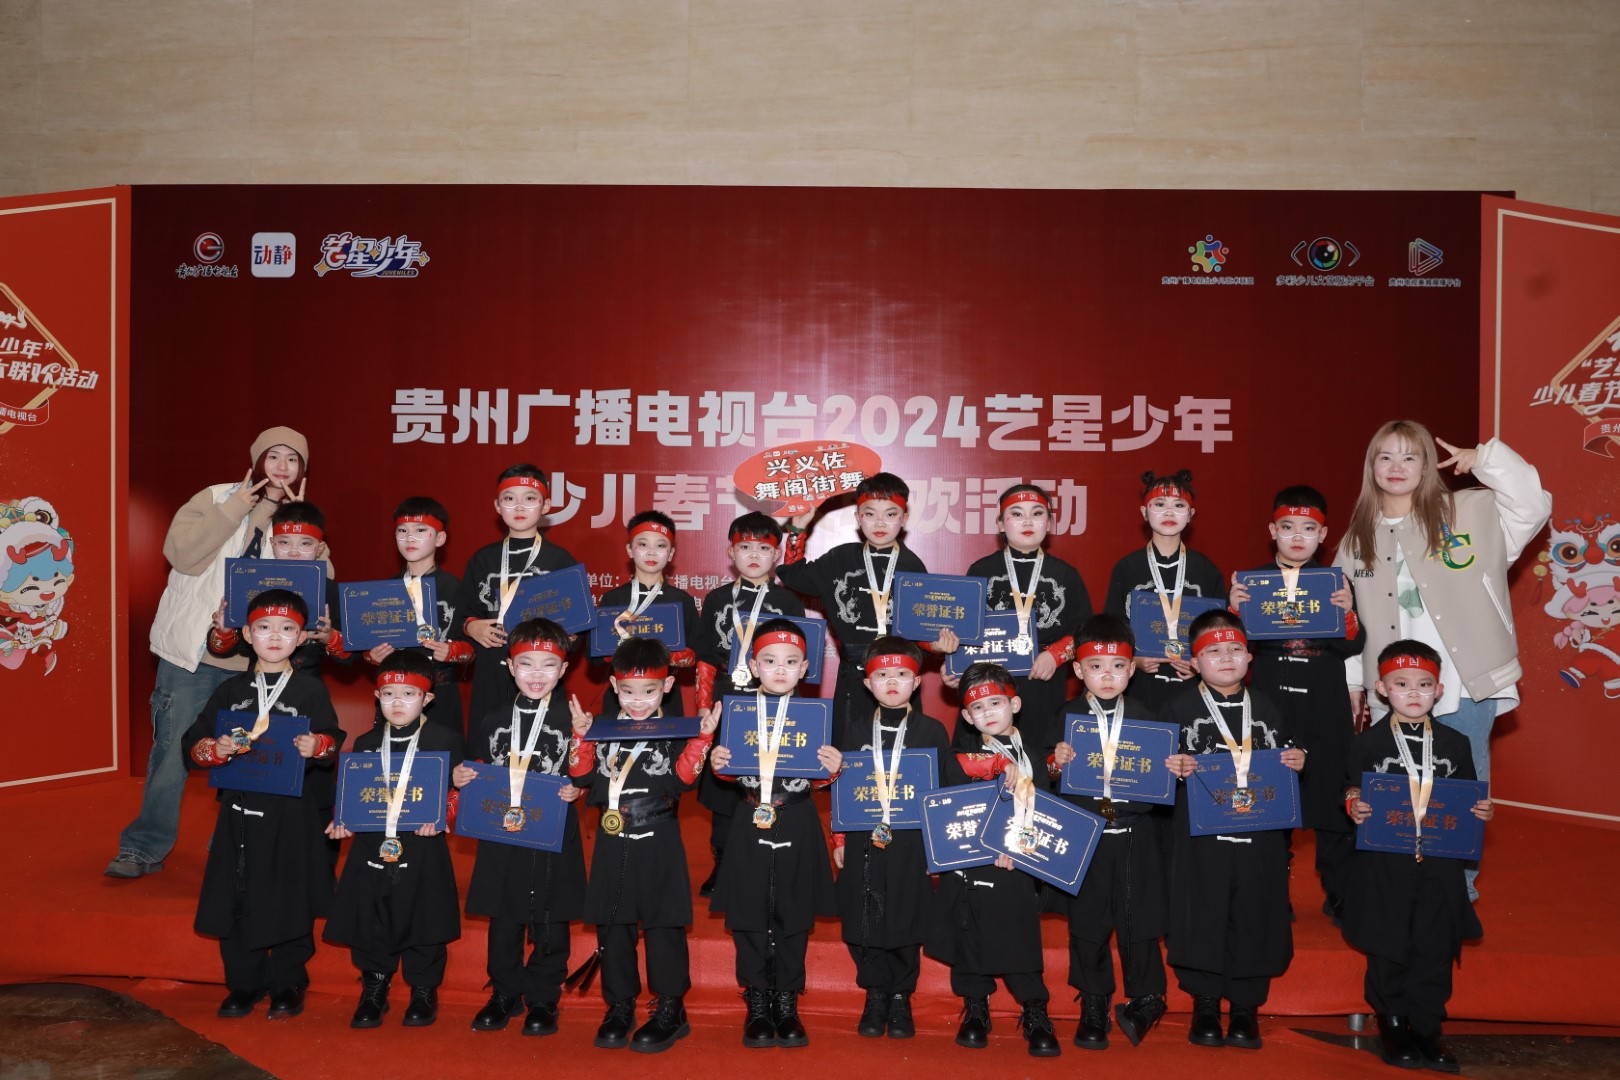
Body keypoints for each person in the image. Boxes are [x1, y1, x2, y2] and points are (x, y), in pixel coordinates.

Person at [1335, 421, 1549, 901]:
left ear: (1428, 465)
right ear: (1371, 467)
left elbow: (1534, 504)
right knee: (1398, 784)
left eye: (1410, 456)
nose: (1397, 467)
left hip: (1467, 680)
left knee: (1461, 786)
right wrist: (1353, 683)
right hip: (1393, 688)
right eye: (1385, 457)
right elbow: (1346, 625)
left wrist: (1487, 459)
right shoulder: (1356, 541)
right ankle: (1401, 886)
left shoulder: (1471, 511)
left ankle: (1458, 891)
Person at [109, 426, 316, 879]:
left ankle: (232, 847)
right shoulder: (215, 497)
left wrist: (298, 528)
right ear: (257, 460)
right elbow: (181, 555)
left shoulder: (302, 519)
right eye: (273, 456)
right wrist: (238, 507)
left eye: (293, 459)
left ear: (303, 469)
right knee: (171, 753)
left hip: (260, 663)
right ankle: (143, 847)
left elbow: (319, 588)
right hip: (194, 655)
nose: (282, 467)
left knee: (253, 757)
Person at [181, 590, 343, 1020]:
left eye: (287, 628)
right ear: (248, 634)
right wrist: (214, 750)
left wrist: (317, 745)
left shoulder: (310, 689)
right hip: (239, 811)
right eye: (264, 628)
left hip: (292, 814)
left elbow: (332, 739)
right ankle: (244, 983)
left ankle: (288, 981)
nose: (275, 636)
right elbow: (192, 744)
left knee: (291, 895)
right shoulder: (230, 690)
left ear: (301, 637)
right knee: (237, 892)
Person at [1342, 641, 1493, 1073]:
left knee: (1434, 945)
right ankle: (1391, 1023)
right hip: (1385, 864)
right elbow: (1349, 787)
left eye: (1424, 685)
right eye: (1402, 683)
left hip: (1440, 864)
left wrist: (1481, 811)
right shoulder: (1367, 743)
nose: (1413, 692)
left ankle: (1427, 1026)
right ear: (1381, 688)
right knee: (1388, 944)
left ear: (1439, 690)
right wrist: (1353, 803)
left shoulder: (1455, 742)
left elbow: (1467, 794)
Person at [566, 638, 719, 1053]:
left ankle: (671, 1007)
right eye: (628, 691)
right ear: (614, 686)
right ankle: (619, 1005)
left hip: (659, 835)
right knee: (612, 923)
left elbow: (682, 781)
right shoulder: (600, 728)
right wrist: (581, 736)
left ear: (667, 686)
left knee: (663, 923)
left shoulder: (676, 730)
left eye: (649, 691)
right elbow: (580, 777)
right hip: (612, 835)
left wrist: (702, 739)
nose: (638, 702)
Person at [1162, 610, 1306, 1050]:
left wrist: (1299, 761)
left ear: (1249, 656)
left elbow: (1289, 759)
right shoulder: (1175, 708)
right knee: (1201, 911)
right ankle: (1205, 1002)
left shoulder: (1269, 706)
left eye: (1235, 649)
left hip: (1260, 834)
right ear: (1194, 661)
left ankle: (1246, 1006)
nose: (1226, 658)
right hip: (1199, 835)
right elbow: (1153, 775)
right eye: (1214, 652)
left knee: (1255, 911)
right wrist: (1172, 768)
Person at [1228, 486, 1364, 920]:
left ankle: (1341, 891)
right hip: (1270, 701)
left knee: (1333, 796)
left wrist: (1347, 614)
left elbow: (1353, 644)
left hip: (1325, 701)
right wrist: (1233, 613)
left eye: (1309, 528)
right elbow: (1233, 650)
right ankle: (1271, 894)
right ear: (1273, 531)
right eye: (1288, 527)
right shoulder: (1252, 582)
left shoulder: (1335, 582)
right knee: (1271, 794)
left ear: (1323, 534)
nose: (1298, 536)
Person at [708, 619, 843, 1049]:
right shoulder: (738, 713)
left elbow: (822, 778)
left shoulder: (817, 717)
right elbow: (729, 772)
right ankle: (757, 1000)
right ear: (753, 666)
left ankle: (787, 1000)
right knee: (748, 914)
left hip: (797, 818)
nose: (780, 669)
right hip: (750, 818)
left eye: (790, 662)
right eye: (769, 661)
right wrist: (718, 764)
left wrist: (832, 771)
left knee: (795, 914)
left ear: (805, 668)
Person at [455, 618, 587, 1036]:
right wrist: (461, 778)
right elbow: (478, 767)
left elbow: (593, 773)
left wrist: (580, 789)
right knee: (504, 913)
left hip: (554, 831)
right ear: (510, 666)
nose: (536, 674)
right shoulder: (493, 719)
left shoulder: (575, 720)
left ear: (563, 669)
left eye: (548, 665)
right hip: (502, 831)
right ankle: (504, 991)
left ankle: (544, 996)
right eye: (525, 664)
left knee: (551, 914)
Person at [927, 661, 1061, 1058]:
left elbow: (1046, 813)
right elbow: (954, 807)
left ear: (1014, 704)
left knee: (1021, 935)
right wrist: (999, 766)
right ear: (967, 716)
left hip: (1018, 865)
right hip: (972, 863)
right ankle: (975, 1008)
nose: (988, 712)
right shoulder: (960, 756)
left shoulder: (1034, 756)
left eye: (996, 703)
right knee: (969, 933)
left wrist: (1022, 851)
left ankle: (1035, 1009)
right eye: (978, 707)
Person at [323, 650, 464, 1028]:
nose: (397, 702)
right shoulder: (367, 743)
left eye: (408, 694)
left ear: (427, 698)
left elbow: (458, 791)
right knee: (372, 915)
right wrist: (343, 821)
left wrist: (443, 816)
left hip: (423, 844)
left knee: (425, 915)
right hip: (372, 845)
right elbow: (352, 794)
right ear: (377, 696)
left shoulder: (443, 739)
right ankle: (374, 987)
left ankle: (423, 990)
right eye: (388, 694)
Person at [1048, 614, 1169, 1049]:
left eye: (1117, 666)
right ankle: (1093, 1003)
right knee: (1088, 922)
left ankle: (1147, 999)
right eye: (1095, 666)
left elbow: (1163, 785)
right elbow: (1044, 774)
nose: (1107, 676)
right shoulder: (1066, 716)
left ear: (1132, 669)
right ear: (1078, 670)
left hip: (1135, 832)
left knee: (1141, 919)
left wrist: (1174, 769)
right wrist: (1055, 762)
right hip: (1087, 835)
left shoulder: (1149, 717)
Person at [831, 636, 952, 1040]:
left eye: (902, 674)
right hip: (864, 840)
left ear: (917, 682)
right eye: (882, 675)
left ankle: (900, 995)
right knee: (863, 915)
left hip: (912, 843)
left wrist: (937, 850)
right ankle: (875, 992)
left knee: (906, 914)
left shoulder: (932, 731)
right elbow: (841, 789)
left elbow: (945, 794)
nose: (893, 682)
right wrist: (839, 840)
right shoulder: (854, 730)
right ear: (868, 684)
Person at [778, 472, 952, 746]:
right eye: (870, 514)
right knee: (849, 751)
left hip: (899, 675)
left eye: (890, 514)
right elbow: (794, 575)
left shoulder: (912, 566)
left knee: (903, 752)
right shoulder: (840, 558)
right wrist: (797, 530)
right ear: (858, 518)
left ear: (904, 519)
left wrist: (937, 647)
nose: (880, 522)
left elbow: (920, 632)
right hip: (855, 675)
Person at [691, 512, 806, 896]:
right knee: (726, 786)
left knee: (772, 780)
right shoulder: (717, 599)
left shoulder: (788, 600)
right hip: (728, 700)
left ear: (776, 555)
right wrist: (705, 706)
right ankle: (723, 863)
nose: (754, 555)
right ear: (731, 552)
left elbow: (801, 660)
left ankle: (771, 858)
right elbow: (705, 658)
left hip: (775, 701)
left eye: (763, 548)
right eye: (744, 547)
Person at [959, 484, 1093, 749]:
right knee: (989, 755)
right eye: (1017, 514)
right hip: (991, 683)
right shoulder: (981, 570)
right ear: (1000, 523)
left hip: (1044, 678)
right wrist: (955, 664)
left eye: (1037, 513)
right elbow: (965, 628)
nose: (1028, 521)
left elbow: (1084, 630)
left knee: (1040, 753)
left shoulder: (1065, 574)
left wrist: (1056, 654)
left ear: (1050, 523)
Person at [451, 465, 581, 730]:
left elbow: (578, 628)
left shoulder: (560, 560)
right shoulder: (483, 559)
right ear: (497, 506)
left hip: (540, 674)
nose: (519, 507)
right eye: (509, 498)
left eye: (530, 498)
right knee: (487, 739)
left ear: (546, 506)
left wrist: (565, 638)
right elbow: (460, 615)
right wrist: (471, 627)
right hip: (490, 671)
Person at [1104, 470, 1225, 712]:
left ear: (1190, 514)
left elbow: (1218, 629)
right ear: (1144, 512)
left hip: (1193, 685)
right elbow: (1112, 626)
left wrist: (1200, 663)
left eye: (1178, 505)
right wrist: (1131, 660)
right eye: (1159, 504)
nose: (1169, 512)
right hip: (1139, 683)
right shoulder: (1127, 567)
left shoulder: (1206, 569)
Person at [361, 497, 474, 737]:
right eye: (402, 530)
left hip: (441, 696)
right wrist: (372, 656)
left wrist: (452, 651)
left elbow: (473, 649)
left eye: (420, 530)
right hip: (394, 696)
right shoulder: (382, 591)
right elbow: (365, 646)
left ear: (440, 538)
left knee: (443, 754)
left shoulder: (456, 589)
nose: (409, 538)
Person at [594, 510, 699, 717]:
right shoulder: (612, 599)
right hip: (621, 697)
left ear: (671, 553)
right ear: (629, 549)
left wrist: (677, 656)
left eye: (660, 546)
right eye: (643, 544)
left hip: (666, 698)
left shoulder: (682, 601)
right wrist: (611, 652)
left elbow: (698, 653)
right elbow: (595, 658)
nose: (651, 552)